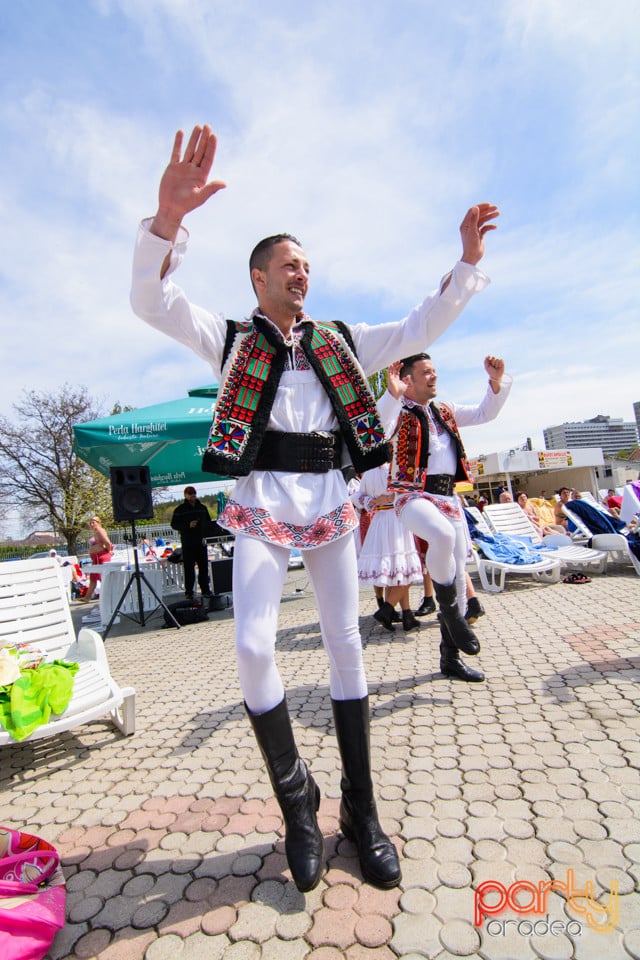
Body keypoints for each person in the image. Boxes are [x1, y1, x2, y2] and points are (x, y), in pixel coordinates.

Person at [130, 122, 499, 892]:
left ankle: (361, 812)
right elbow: (152, 301)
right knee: (255, 648)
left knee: (345, 644)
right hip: (262, 501)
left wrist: (465, 263)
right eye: (288, 265)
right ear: (259, 276)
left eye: (308, 265)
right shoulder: (231, 338)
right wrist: (166, 223)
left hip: (331, 501)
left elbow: (419, 327)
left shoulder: (341, 338)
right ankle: (298, 799)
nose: (303, 273)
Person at [388, 353, 512, 683]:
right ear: (408, 379)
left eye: (435, 371)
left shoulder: (446, 411)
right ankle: (453, 615)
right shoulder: (397, 411)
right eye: (426, 372)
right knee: (441, 537)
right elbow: (378, 431)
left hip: (447, 498)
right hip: (411, 496)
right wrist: (392, 394)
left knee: (458, 573)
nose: (434, 377)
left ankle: (450, 658)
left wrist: (496, 382)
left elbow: (487, 412)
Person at [171, 486, 214, 601]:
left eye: (193, 493)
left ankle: (205, 590)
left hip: (201, 542)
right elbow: (174, 524)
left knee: (203, 567)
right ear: (185, 495)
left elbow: (209, 523)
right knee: (189, 568)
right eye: (189, 494)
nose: (192, 495)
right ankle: (189, 592)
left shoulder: (202, 508)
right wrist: (187, 525)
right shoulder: (180, 509)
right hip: (188, 543)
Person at [81, 517, 113, 602]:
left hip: (101, 557)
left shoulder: (100, 531)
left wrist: (108, 550)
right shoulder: (96, 532)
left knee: (102, 577)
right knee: (93, 578)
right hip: (96, 558)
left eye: (93, 522)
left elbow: (108, 542)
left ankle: (109, 596)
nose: (91, 525)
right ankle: (87, 597)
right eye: (90, 523)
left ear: (98, 522)